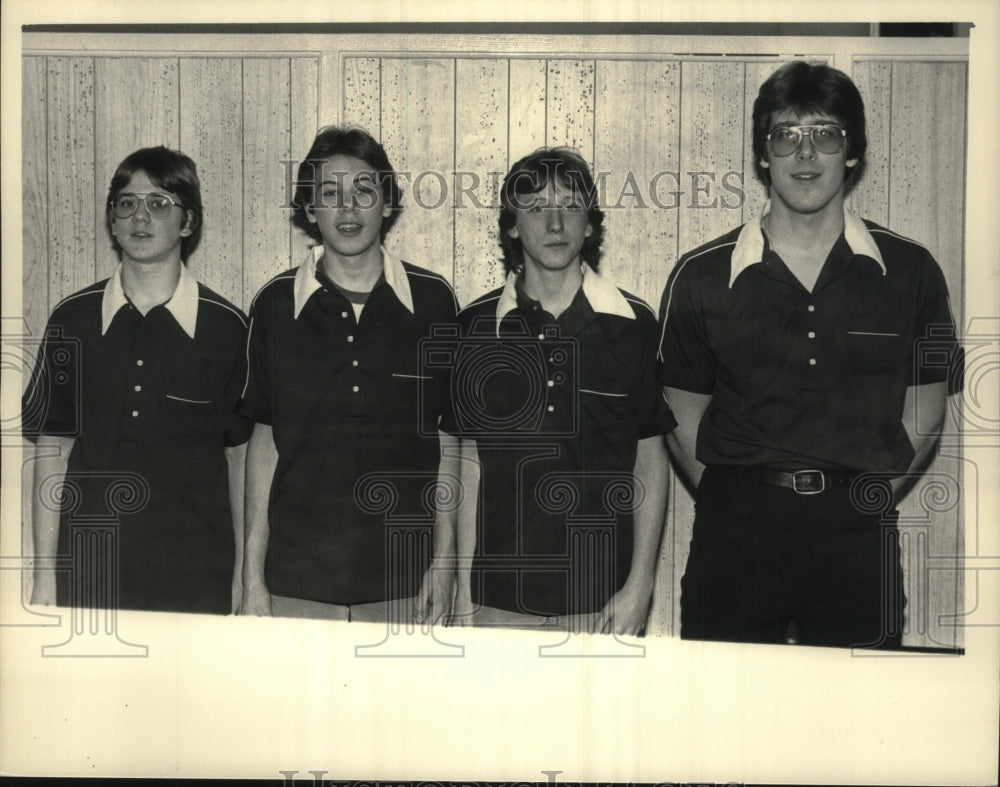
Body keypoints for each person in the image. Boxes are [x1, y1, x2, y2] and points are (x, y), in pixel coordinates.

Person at [657, 61, 963, 648]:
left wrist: (859, 499)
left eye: (826, 134)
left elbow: (925, 413)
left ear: (852, 152)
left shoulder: (910, 272)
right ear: (762, 153)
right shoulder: (699, 275)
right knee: (727, 722)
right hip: (736, 535)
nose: (805, 155)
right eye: (785, 136)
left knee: (856, 726)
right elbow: (681, 415)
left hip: (856, 536)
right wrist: (738, 495)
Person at [434, 147, 674, 635]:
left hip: (603, 603)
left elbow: (650, 459)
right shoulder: (475, 328)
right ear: (511, 227)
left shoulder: (632, 325)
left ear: (590, 225)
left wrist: (639, 586)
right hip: (498, 601)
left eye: (570, 206)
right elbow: (466, 463)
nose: (556, 223)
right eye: (537, 208)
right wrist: (462, 590)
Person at [238, 126, 459, 620]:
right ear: (310, 210)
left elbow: (448, 443)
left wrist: (444, 564)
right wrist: (252, 579)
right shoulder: (275, 305)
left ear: (387, 202)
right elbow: (264, 445)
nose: (348, 208)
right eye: (330, 194)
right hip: (295, 583)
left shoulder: (432, 301)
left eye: (364, 190)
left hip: (405, 582)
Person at [23, 146, 252, 615]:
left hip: (195, 580)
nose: (140, 216)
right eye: (127, 203)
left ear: (188, 221)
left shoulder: (227, 327)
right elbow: (52, 452)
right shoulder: (74, 319)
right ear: (112, 220)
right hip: (90, 576)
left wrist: (243, 578)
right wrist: (44, 578)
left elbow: (241, 461)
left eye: (159, 203)